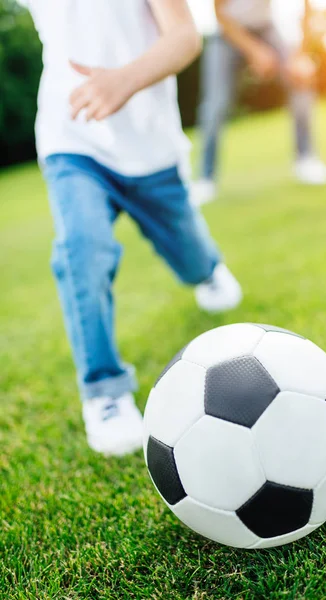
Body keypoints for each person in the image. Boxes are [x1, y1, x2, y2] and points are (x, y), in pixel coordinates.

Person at [17, 0, 242, 457]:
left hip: (150, 153)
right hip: (72, 140)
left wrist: (122, 80)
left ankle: (207, 270)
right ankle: (105, 393)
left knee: (193, 257)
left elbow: (184, 36)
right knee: (82, 249)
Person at [193, 0, 326, 206]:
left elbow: (305, 6)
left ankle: (306, 160)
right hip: (227, 33)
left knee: (300, 82)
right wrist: (254, 51)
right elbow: (220, 13)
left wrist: (300, 56)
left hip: (265, 28)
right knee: (215, 104)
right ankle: (205, 179)